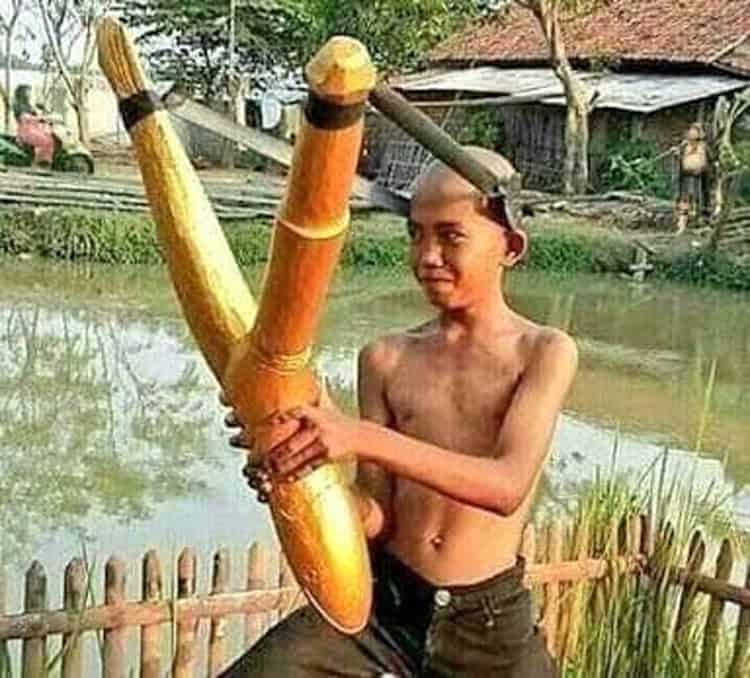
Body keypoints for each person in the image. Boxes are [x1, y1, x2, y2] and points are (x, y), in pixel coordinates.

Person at [221, 148, 578, 678]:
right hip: (384, 611)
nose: (427, 255)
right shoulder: (385, 358)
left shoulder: (543, 351)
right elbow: (377, 515)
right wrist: (300, 472)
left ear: (511, 247)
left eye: (451, 236)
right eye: (416, 234)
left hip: (488, 626)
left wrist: (357, 436)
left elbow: (506, 485)